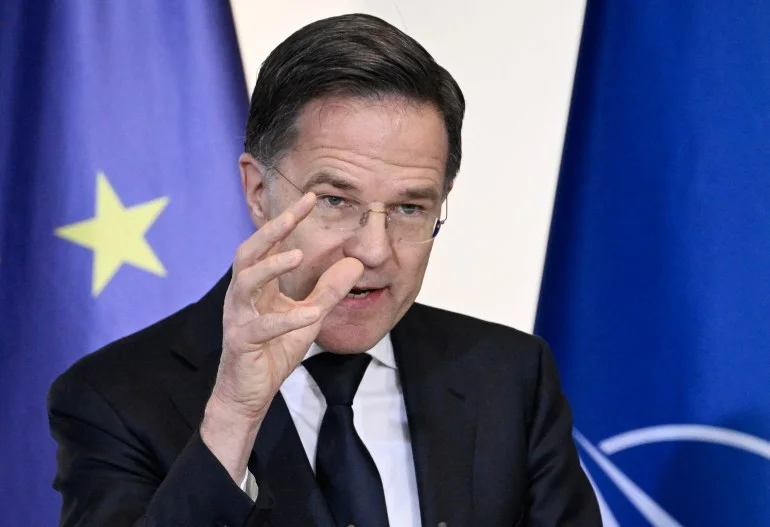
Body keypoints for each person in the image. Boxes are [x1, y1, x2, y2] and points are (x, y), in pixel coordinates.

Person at [47, 13, 602, 527]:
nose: (375, 250)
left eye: (410, 208)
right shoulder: (114, 398)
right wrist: (235, 414)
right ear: (258, 191)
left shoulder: (509, 376)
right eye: (336, 200)